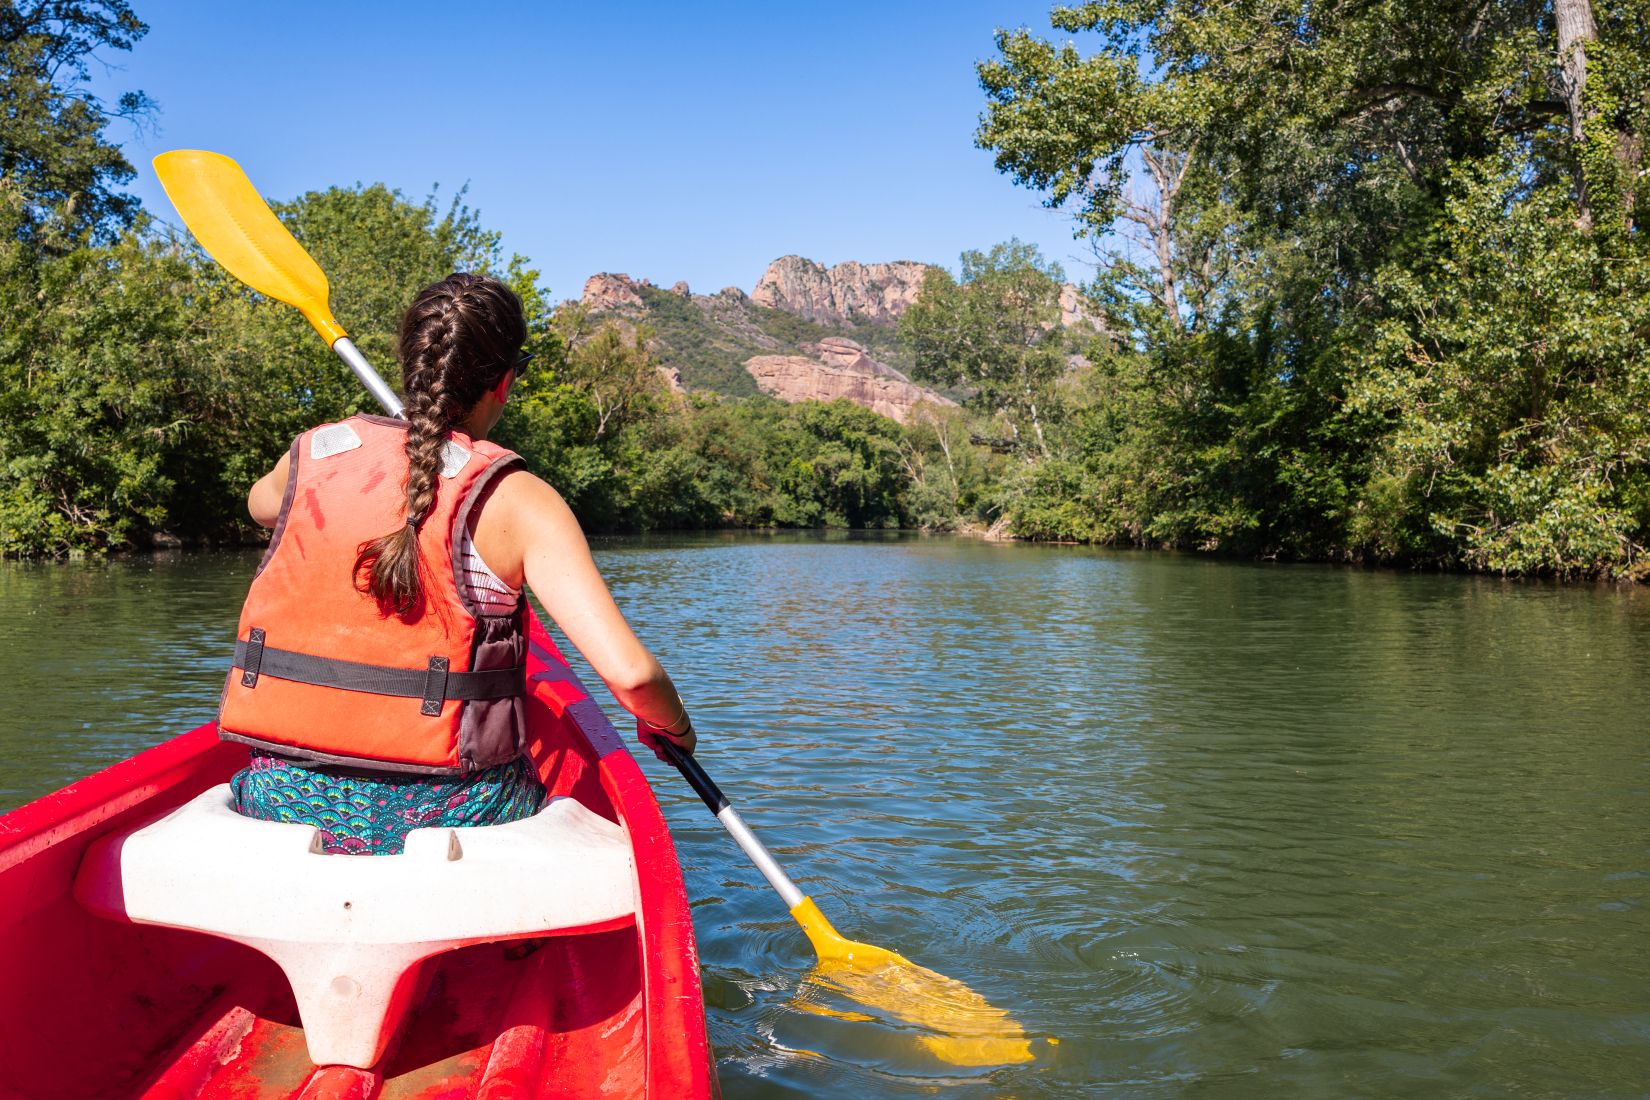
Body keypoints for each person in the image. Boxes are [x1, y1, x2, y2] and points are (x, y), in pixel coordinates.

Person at [217, 272, 694, 854]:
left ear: (411, 365)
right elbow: (633, 677)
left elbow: (261, 506)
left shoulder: (312, 454)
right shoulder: (518, 500)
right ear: (505, 382)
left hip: (284, 798)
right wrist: (674, 727)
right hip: (456, 812)